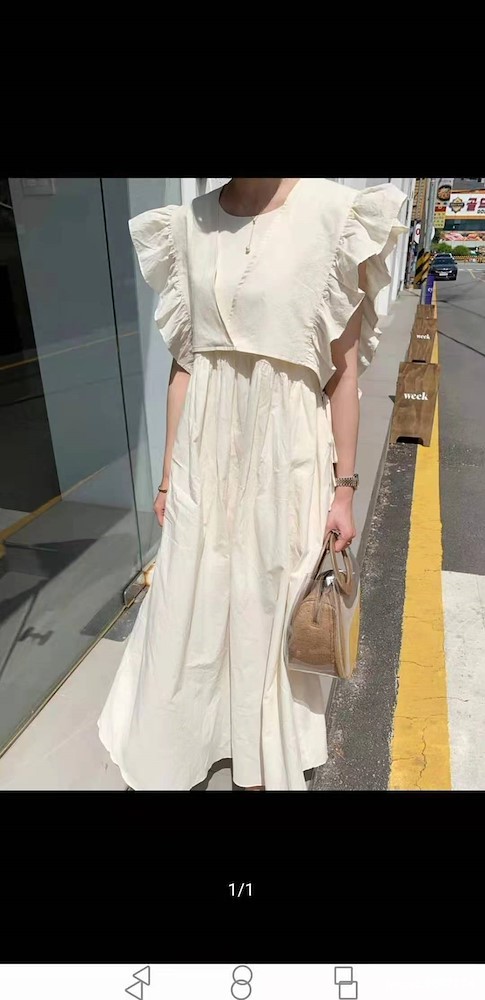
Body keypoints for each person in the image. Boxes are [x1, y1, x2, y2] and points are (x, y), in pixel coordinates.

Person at [98, 177, 407, 791]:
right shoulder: (187, 225)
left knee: (268, 602)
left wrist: (344, 488)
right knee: (191, 600)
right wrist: (168, 479)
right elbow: (185, 369)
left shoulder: (336, 217)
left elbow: (343, 377)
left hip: (286, 457)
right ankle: (179, 744)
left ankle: (261, 754)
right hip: (204, 458)